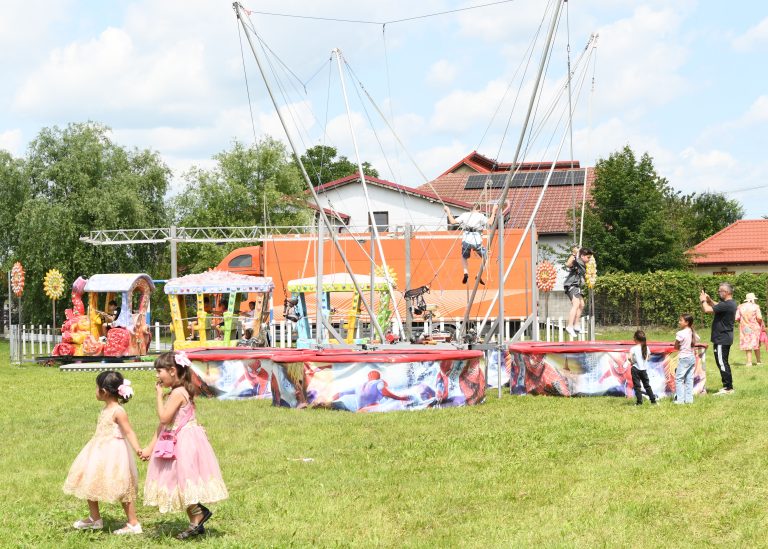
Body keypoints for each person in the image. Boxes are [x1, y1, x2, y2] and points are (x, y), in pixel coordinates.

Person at [140, 352, 228, 540]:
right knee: (178, 480)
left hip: (183, 442)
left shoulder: (178, 393)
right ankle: (197, 517)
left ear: (172, 371)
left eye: (159, 371)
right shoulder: (179, 391)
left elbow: (164, 418)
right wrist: (149, 447)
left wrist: (158, 396)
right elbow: (165, 425)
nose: (157, 375)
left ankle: (198, 516)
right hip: (178, 439)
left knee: (180, 480)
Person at [63, 371, 143, 535]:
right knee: (90, 479)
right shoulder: (106, 408)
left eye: (96, 387)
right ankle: (95, 518)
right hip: (98, 450)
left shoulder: (118, 411)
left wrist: (138, 449)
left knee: (123, 486)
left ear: (104, 391)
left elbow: (129, 431)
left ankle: (133, 523)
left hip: (114, 454)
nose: (95, 390)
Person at [443, 202, 498, 284]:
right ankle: (478, 275)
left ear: (471, 209)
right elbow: (490, 222)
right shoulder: (480, 216)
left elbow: (452, 221)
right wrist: (494, 211)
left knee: (464, 257)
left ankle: (466, 273)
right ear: (479, 210)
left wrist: (448, 211)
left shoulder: (465, 215)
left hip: (466, 241)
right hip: (477, 242)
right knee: (486, 258)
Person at [701, 283, 737, 394]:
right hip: (724, 337)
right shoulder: (730, 303)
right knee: (722, 362)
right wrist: (709, 299)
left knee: (722, 363)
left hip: (722, 338)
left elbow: (707, 310)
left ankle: (728, 388)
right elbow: (717, 306)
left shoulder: (726, 305)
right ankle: (727, 386)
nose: (718, 293)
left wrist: (703, 300)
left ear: (726, 292)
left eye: (720, 291)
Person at [563, 247, 594, 338]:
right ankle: (569, 326)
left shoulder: (584, 264)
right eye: (588, 257)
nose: (589, 259)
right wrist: (574, 254)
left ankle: (576, 325)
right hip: (571, 285)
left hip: (577, 287)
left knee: (582, 305)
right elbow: (568, 264)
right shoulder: (577, 262)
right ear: (582, 256)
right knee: (576, 304)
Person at [626, 330, 657, 405]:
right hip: (644, 370)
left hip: (635, 369)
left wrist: (632, 362)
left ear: (636, 339)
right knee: (647, 386)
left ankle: (639, 402)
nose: (633, 339)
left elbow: (629, 357)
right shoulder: (646, 347)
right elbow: (648, 358)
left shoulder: (633, 348)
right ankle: (653, 401)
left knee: (637, 386)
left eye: (634, 338)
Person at [674, 314, 698, 404]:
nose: (679, 322)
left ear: (687, 322)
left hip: (684, 358)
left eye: (681, 320)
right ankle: (689, 400)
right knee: (689, 379)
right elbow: (696, 340)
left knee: (679, 379)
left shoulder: (680, 333)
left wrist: (680, 345)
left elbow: (676, 347)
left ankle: (680, 400)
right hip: (692, 357)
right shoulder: (692, 332)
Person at [736, 292, 763, 367]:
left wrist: (743, 323)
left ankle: (749, 362)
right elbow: (759, 317)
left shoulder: (740, 306)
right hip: (755, 327)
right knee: (756, 343)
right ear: (752, 299)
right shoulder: (756, 306)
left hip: (745, 327)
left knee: (747, 343)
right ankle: (758, 361)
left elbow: (737, 318)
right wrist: (760, 323)